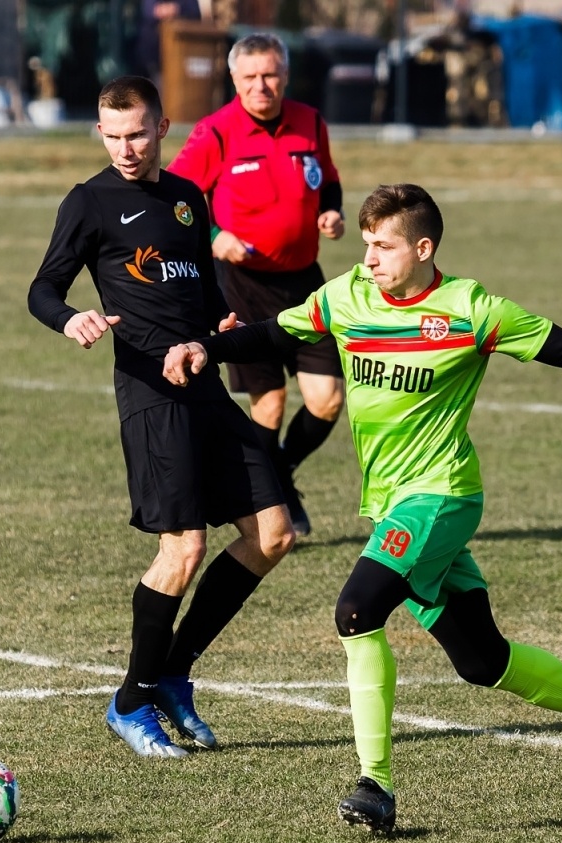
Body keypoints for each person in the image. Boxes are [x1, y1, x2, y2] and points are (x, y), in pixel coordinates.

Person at [162, 183, 562, 831]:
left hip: (442, 496)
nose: (369, 258)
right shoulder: (346, 298)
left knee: (356, 609)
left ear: (423, 248)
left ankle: (375, 785)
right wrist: (207, 347)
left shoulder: (471, 309)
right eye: (365, 244)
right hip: (392, 506)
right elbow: (275, 333)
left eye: (384, 246)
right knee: (483, 661)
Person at [28, 75, 294, 759]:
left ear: (163, 128)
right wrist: (71, 318)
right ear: (99, 134)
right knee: (183, 550)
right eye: (113, 136)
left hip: (204, 386)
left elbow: (202, 291)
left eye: (137, 134)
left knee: (273, 534)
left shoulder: (185, 198)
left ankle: (173, 671)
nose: (126, 148)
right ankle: (130, 701)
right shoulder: (89, 202)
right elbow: (42, 287)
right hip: (150, 395)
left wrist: (218, 324)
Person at [167, 33, 346, 536]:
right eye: (250, 78)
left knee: (327, 399)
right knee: (269, 403)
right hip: (242, 289)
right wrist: (213, 236)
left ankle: (282, 473)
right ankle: (273, 503)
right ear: (235, 81)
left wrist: (331, 211)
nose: (261, 86)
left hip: (306, 285)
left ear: (285, 75)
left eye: (270, 75)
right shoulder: (215, 132)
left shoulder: (310, 122)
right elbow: (176, 202)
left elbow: (327, 179)